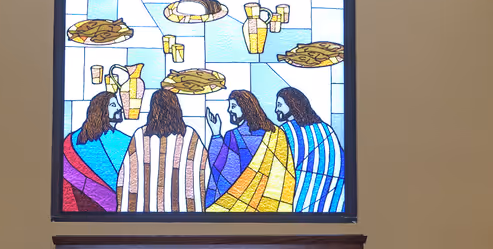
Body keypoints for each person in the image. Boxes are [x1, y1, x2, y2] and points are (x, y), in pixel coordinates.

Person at [212, 87, 345, 213]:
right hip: (330, 200)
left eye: (280, 105)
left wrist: (216, 136)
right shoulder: (327, 130)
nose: (276, 110)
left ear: (292, 104)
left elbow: (226, 172)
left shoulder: (283, 132)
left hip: (295, 199)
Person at [116, 88, 209, 213]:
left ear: (152, 110)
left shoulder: (139, 136)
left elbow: (126, 175)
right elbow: (205, 172)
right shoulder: (191, 136)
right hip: (186, 219)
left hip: (142, 220)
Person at [61, 91, 131, 213]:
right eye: (114, 105)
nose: (120, 108)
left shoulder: (125, 140)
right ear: (101, 111)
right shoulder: (73, 142)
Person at [203, 89, 274, 208]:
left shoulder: (234, 136)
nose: (229, 110)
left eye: (233, 106)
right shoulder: (273, 135)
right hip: (267, 204)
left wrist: (216, 134)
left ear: (245, 108)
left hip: (240, 204)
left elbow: (223, 172)